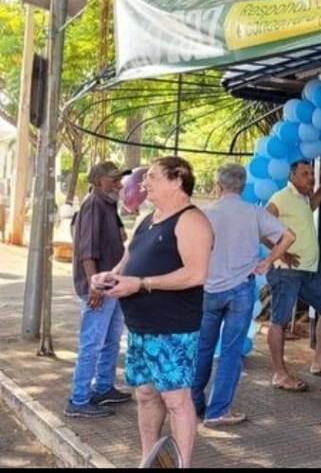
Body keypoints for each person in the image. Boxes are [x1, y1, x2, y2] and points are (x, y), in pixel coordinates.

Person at [90, 156, 213, 468]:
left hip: (173, 327)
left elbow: (196, 274)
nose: (144, 183)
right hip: (140, 327)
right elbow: (126, 262)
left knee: (176, 399)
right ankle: (149, 461)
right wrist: (109, 277)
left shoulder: (192, 220)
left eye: (153, 177)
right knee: (145, 394)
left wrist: (141, 284)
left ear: (177, 179)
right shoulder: (147, 219)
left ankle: (182, 464)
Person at [191, 163, 296, 427]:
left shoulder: (204, 214)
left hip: (208, 289)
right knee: (231, 351)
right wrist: (268, 260)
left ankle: (192, 404)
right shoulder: (254, 212)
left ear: (218, 185)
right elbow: (288, 236)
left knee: (202, 348)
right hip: (240, 289)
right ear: (242, 186)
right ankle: (218, 411)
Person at [265, 159, 321, 391]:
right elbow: (262, 224)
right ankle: (280, 374)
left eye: (311, 173)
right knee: (279, 321)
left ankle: (319, 362)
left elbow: (313, 204)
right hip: (286, 272)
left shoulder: (302, 198)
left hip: (307, 272)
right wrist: (281, 252)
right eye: (305, 174)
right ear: (292, 176)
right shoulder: (282, 197)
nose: (310, 177)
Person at [65, 162, 132, 419]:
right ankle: (79, 399)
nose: (119, 184)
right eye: (113, 179)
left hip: (111, 284)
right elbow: (87, 249)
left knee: (110, 340)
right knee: (92, 343)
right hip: (99, 285)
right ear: (98, 181)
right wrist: (94, 283)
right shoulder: (93, 204)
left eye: (119, 179)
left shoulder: (108, 205)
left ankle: (103, 387)